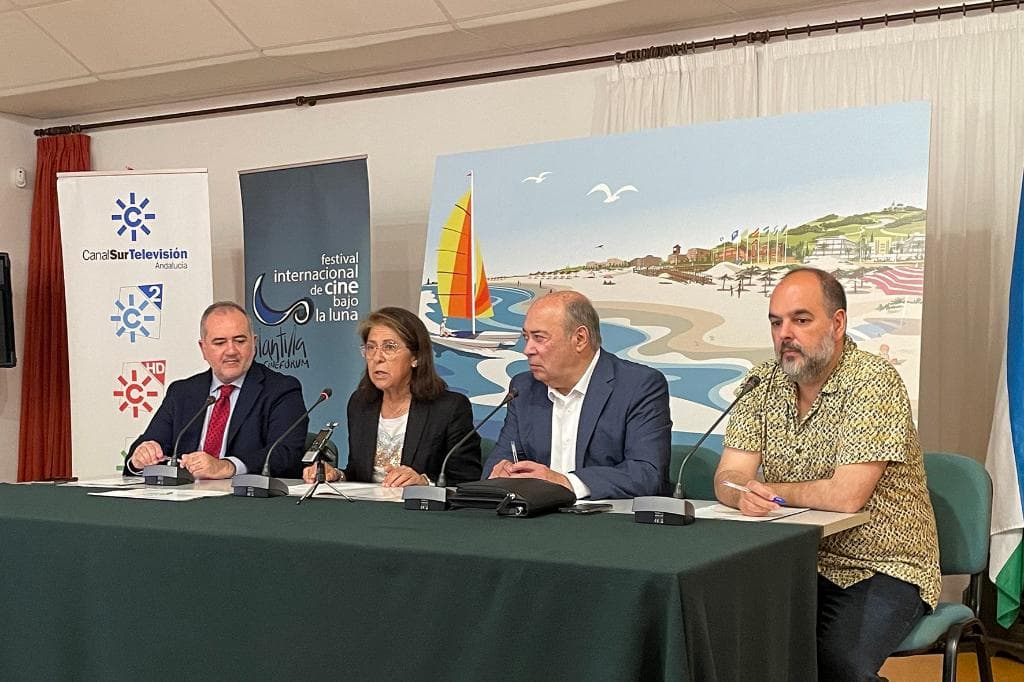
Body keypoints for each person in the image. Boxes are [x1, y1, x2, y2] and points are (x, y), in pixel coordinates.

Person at [715, 268, 940, 681]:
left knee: (838, 662)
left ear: (837, 324)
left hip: (882, 565)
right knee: (728, 639)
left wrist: (768, 490)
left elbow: (846, 496)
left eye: (800, 320)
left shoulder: (873, 381)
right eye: (776, 322)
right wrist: (741, 493)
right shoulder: (760, 383)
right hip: (797, 561)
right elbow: (729, 475)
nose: (785, 334)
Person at [483, 291, 671, 499]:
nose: (527, 349)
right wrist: (502, 473)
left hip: (608, 515)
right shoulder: (523, 388)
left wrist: (565, 482)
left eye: (539, 338)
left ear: (580, 339)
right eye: (526, 337)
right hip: (535, 514)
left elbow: (646, 474)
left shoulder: (638, 385)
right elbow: (499, 462)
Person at [125, 301, 307, 479]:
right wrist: (140, 458)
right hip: (183, 495)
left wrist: (226, 466)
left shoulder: (281, 390)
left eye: (240, 341)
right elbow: (144, 449)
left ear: (254, 343)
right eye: (220, 343)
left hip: (243, 496)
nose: (231, 350)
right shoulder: (182, 392)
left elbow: (286, 454)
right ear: (203, 348)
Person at [303, 307, 481, 487]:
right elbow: (358, 473)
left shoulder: (449, 408)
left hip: (416, 505)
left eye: (389, 347)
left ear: (416, 357)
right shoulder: (360, 403)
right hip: (367, 504)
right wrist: (336, 475)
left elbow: (467, 481)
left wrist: (425, 483)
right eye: (371, 348)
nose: (377, 357)